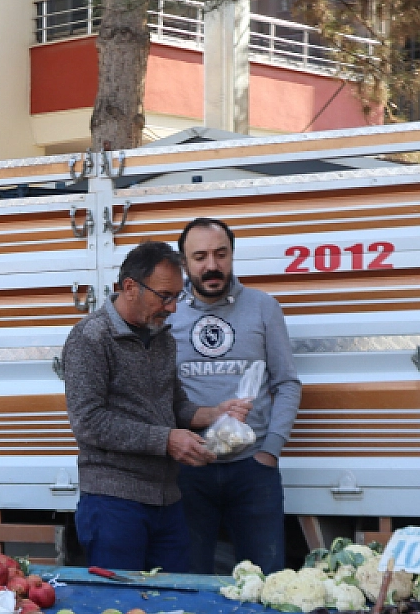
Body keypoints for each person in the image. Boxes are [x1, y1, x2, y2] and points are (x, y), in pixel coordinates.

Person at [62, 242, 250, 573]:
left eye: (178, 296)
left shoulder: (161, 336)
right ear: (130, 287)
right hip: (113, 504)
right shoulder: (90, 338)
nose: (173, 308)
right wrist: (166, 440)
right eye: (165, 296)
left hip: (168, 501)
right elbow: (88, 421)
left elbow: (173, 404)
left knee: (173, 606)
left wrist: (215, 414)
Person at [167, 217, 302, 574]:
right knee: (189, 578)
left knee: (266, 580)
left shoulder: (263, 307)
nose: (211, 265)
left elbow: (287, 382)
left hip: (253, 470)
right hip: (188, 470)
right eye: (199, 256)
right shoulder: (168, 313)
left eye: (220, 254)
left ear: (232, 256)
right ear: (185, 264)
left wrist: (270, 451)